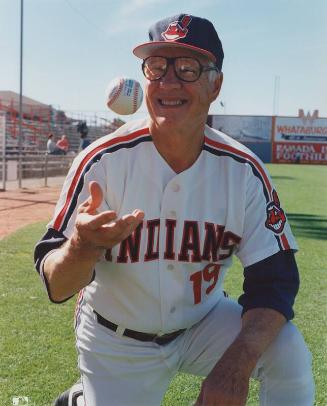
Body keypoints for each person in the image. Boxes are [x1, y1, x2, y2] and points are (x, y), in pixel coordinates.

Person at [35, 14, 314, 406]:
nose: (169, 81)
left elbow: (276, 282)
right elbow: (57, 286)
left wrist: (236, 365)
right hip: (118, 339)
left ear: (215, 84)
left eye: (187, 68)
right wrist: (81, 246)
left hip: (203, 323)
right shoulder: (101, 162)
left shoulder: (243, 171)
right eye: (156, 66)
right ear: (144, 78)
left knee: (287, 351)